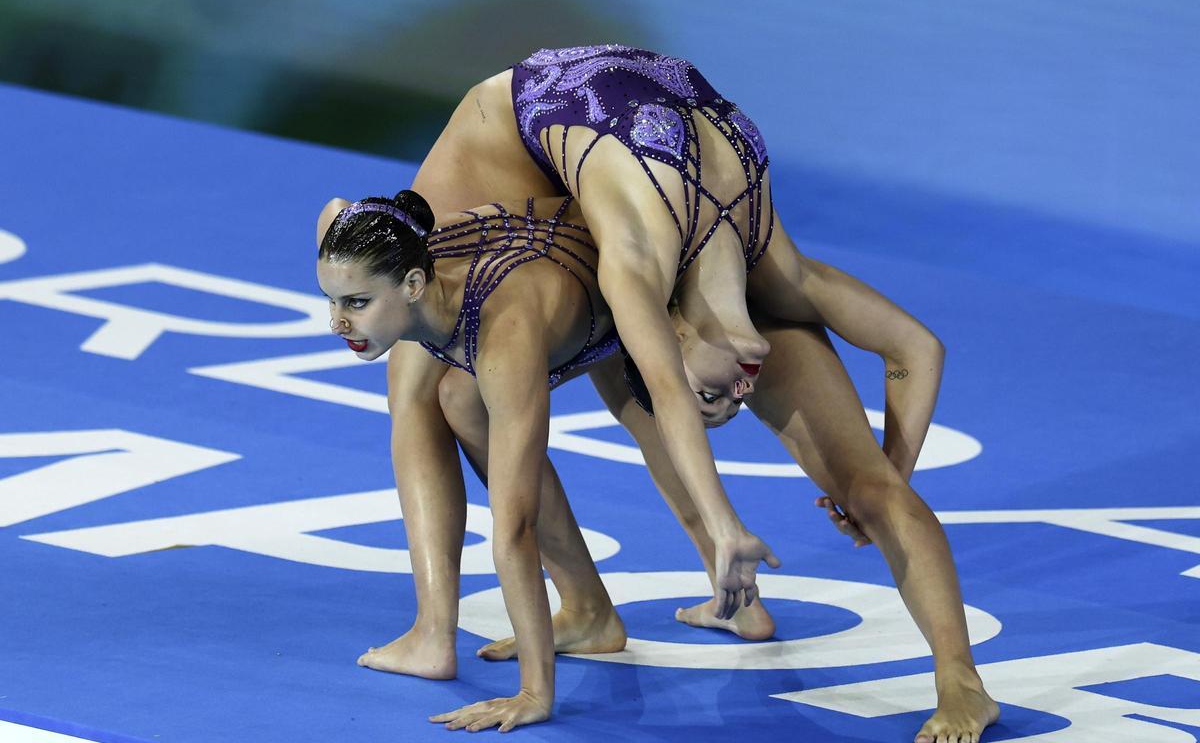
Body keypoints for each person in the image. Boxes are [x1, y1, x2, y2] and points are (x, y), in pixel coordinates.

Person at [349, 44, 998, 741]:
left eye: (720, 400)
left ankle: (959, 680)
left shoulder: (763, 280)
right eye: (715, 398)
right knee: (421, 372)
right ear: (670, 329)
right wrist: (725, 527)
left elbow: (916, 351)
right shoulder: (655, 270)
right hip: (518, 122)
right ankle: (437, 629)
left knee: (870, 485)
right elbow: (667, 386)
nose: (735, 396)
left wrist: (888, 476)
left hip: (643, 140)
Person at [316, 190, 777, 733]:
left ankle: (720, 599)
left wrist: (534, 692)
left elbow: (516, 530)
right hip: (565, 260)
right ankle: (595, 613)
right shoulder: (397, 255)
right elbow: (334, 210)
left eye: (356, 303)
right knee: (461, 399)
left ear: (414, 286)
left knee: (644, 418)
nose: (337, 324)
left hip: (636, 267)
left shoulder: (503, 342)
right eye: (331, 300)